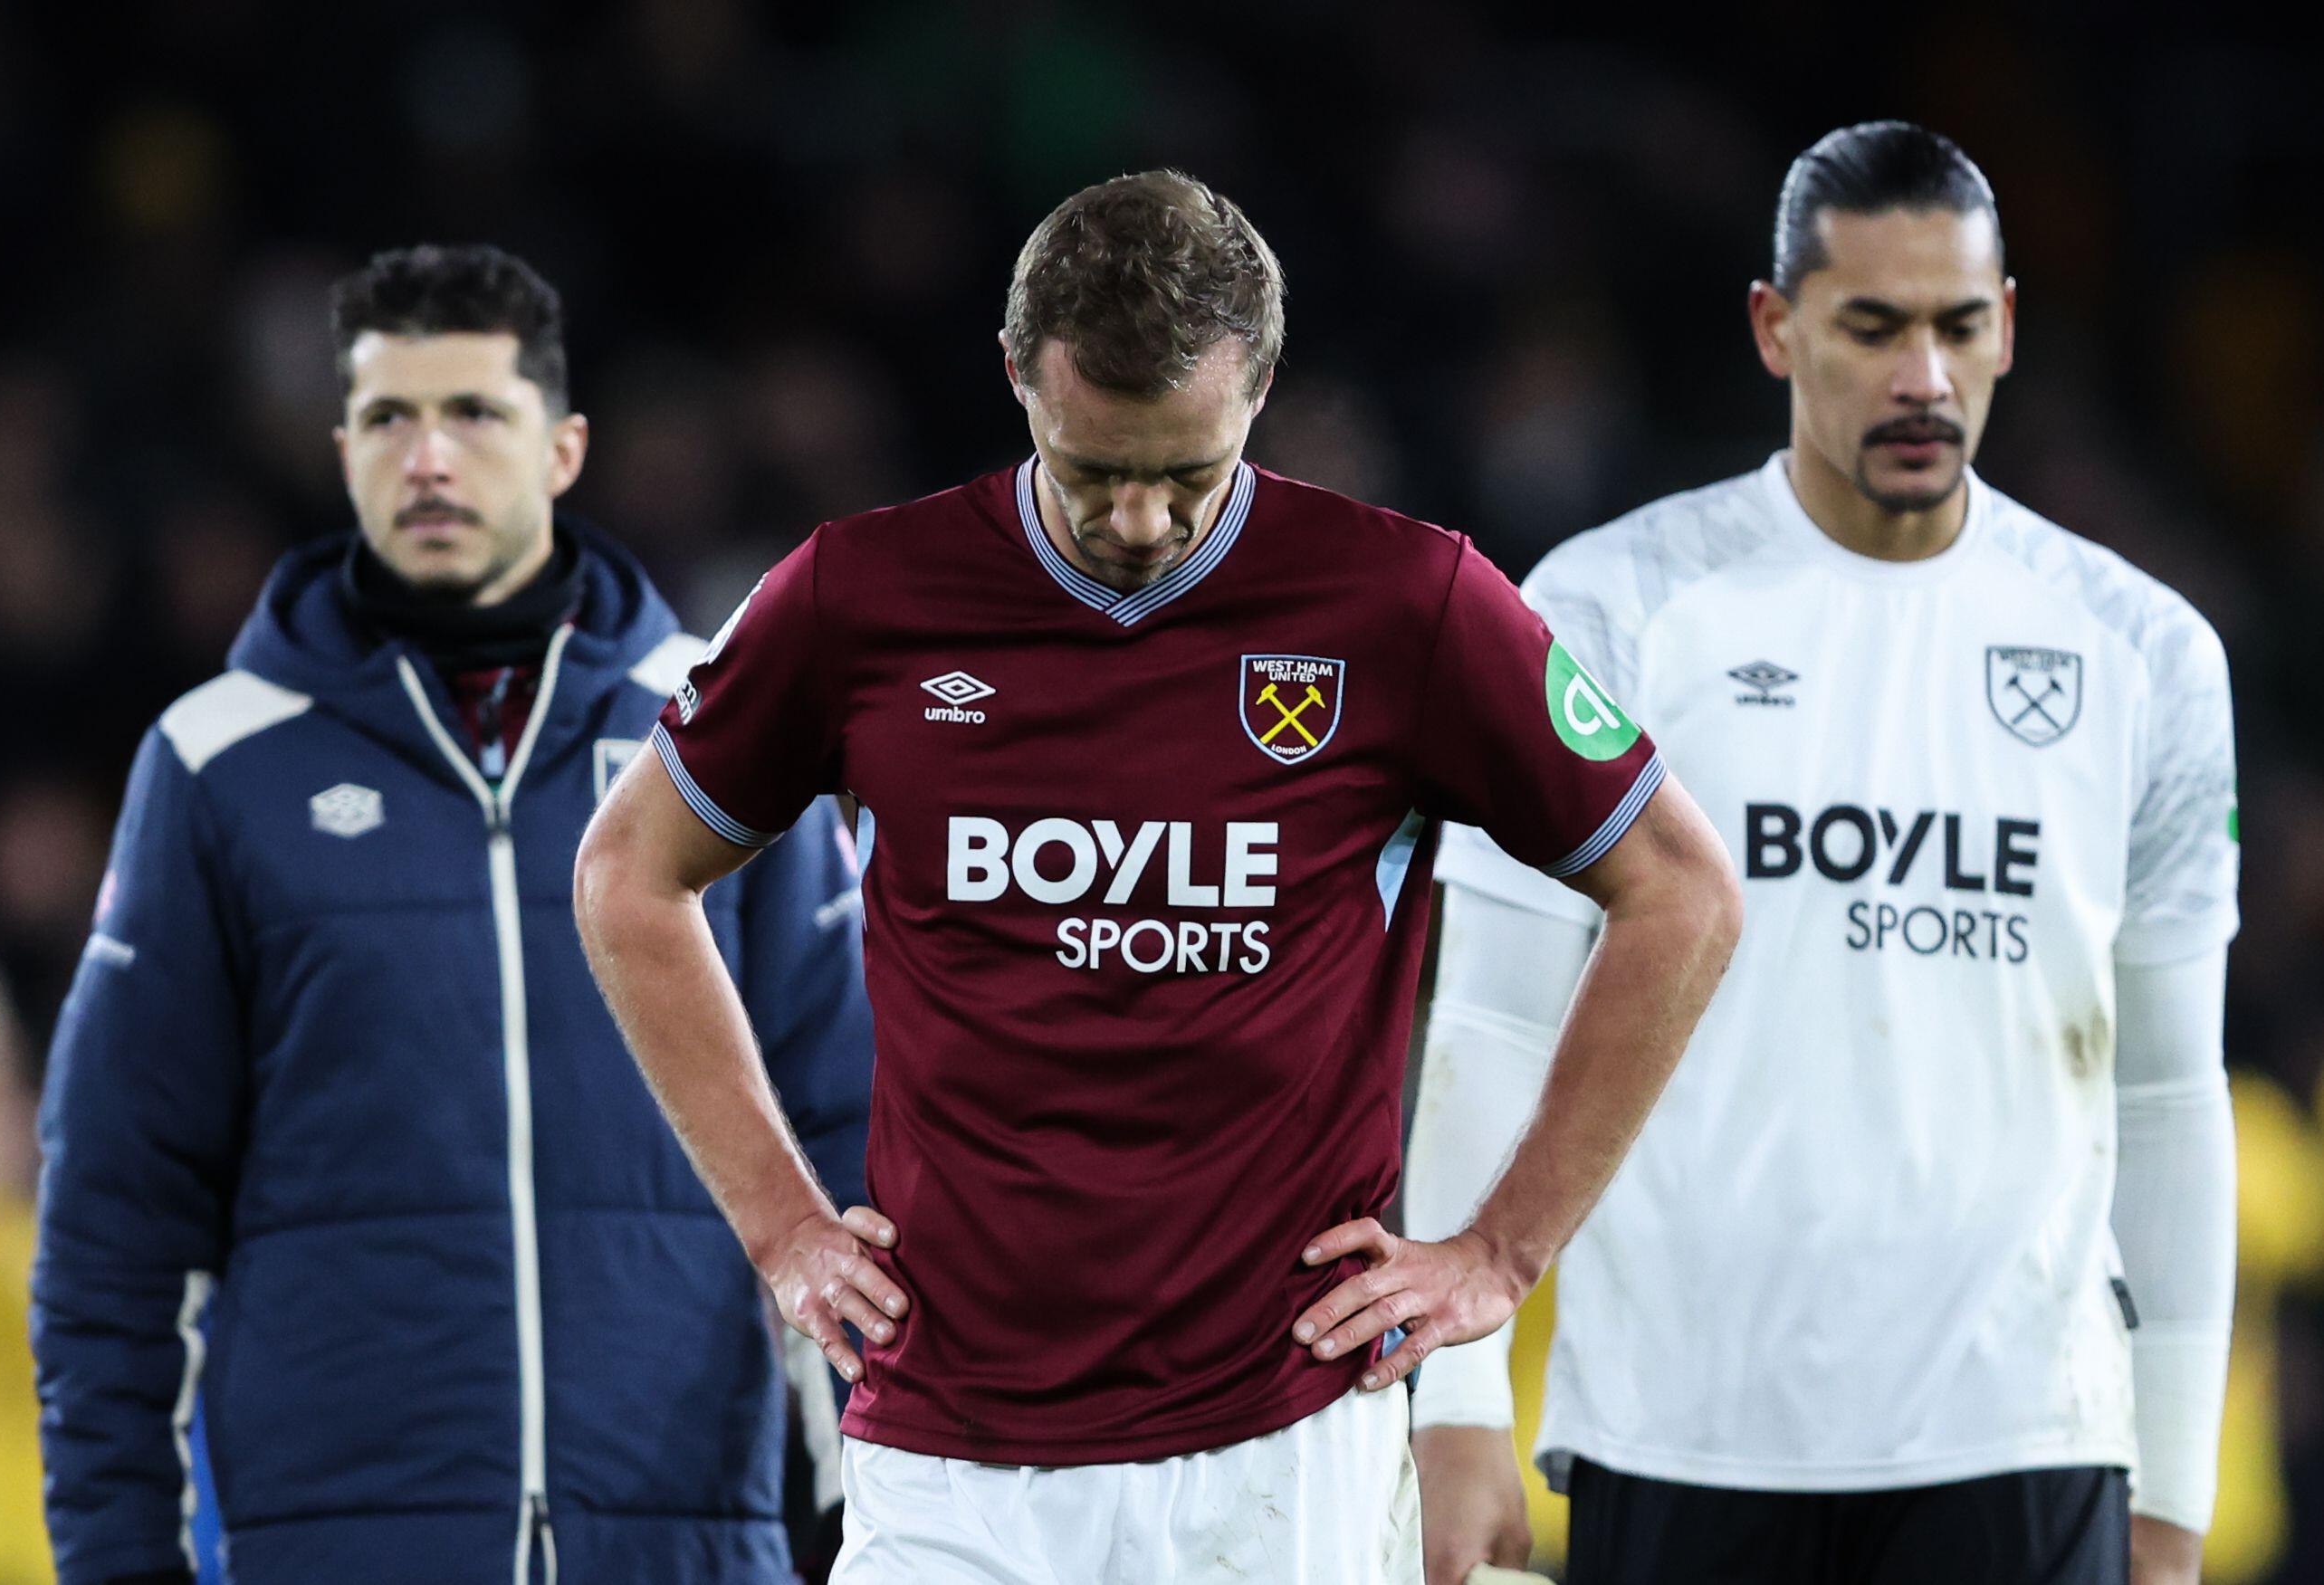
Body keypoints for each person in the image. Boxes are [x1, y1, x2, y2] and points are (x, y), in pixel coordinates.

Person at [571, 169, 1743, 1585]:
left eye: (1187, 475)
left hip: (1280, 1444)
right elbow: (631, 873)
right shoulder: (858, 600)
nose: (1138, 523)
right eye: (1092, 471)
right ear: (1016, 378)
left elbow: (1681, 891)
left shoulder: (1402, 605)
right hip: (949, 1448)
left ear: (1261, 386)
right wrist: (778, 1228)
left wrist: (1499, 1253)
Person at [1408, 122, 2238, 1585]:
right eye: (1871, 326)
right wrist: (1458, 1405)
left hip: (2024, 1433)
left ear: (2007, 332)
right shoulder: (1611, 612)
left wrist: (2169, 1489)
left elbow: (2170, 1094)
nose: (1921, 376)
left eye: (1956, 327)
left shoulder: (2142, 653)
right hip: (1678, 1424)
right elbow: (1488, 1013)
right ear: (1774, 328)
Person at [32, 244, 874, 1585]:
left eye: (474, 413)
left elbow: (862, 1158)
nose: (429, 459)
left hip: (690, 1547)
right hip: (342, 1549)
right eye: (387, 419)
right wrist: (118, 1557)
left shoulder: (724, 734)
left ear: (564, 448)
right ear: (341, 449)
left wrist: (884, 1526)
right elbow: (114, 1227)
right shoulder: (217, 765)